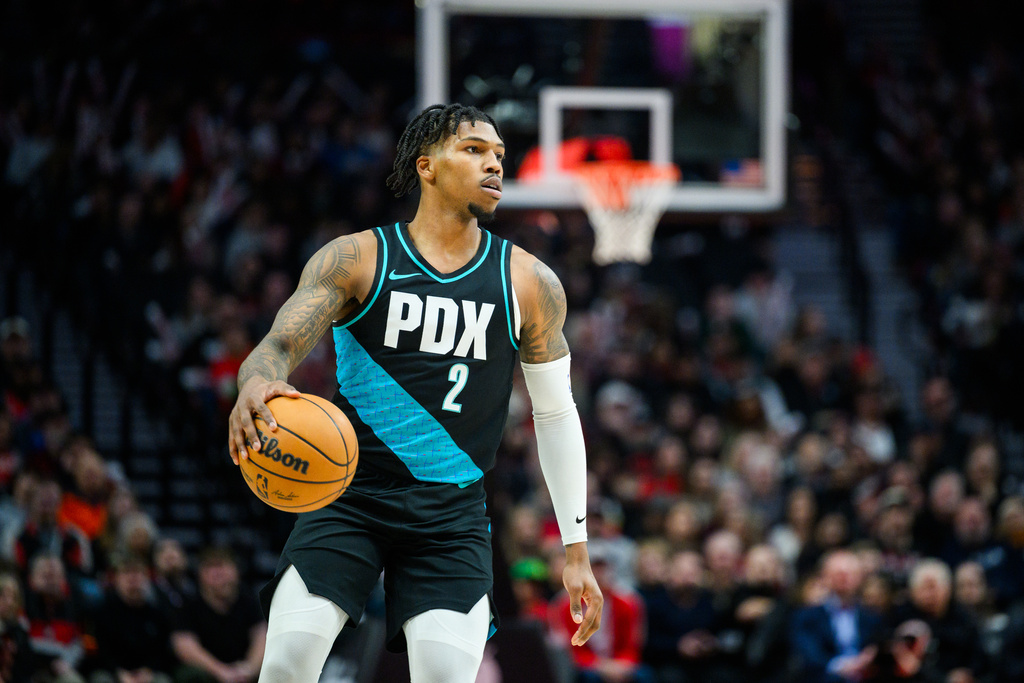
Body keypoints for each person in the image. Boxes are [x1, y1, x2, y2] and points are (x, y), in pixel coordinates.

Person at [226, 103, 602, 683]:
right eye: (474, 150)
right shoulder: (358, 258)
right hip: (349, 494)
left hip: (450, 515)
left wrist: (576, 549)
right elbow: (277, 345)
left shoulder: (529, 281)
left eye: (499, 155)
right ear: (426, 166)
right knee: (286, 663)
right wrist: (252, 382)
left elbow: (555, 413)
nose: (494, 164)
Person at [170, 546, 266, 683]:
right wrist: (221, 671)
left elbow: (261, 637)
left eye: (222, 566)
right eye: (210, 567)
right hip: (208, 672)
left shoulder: (249, 602)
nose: (218, 573)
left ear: (236, 571)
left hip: (243, 668)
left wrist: (249, 668)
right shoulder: (187, 605)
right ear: (200, 574)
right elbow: (184, 646)